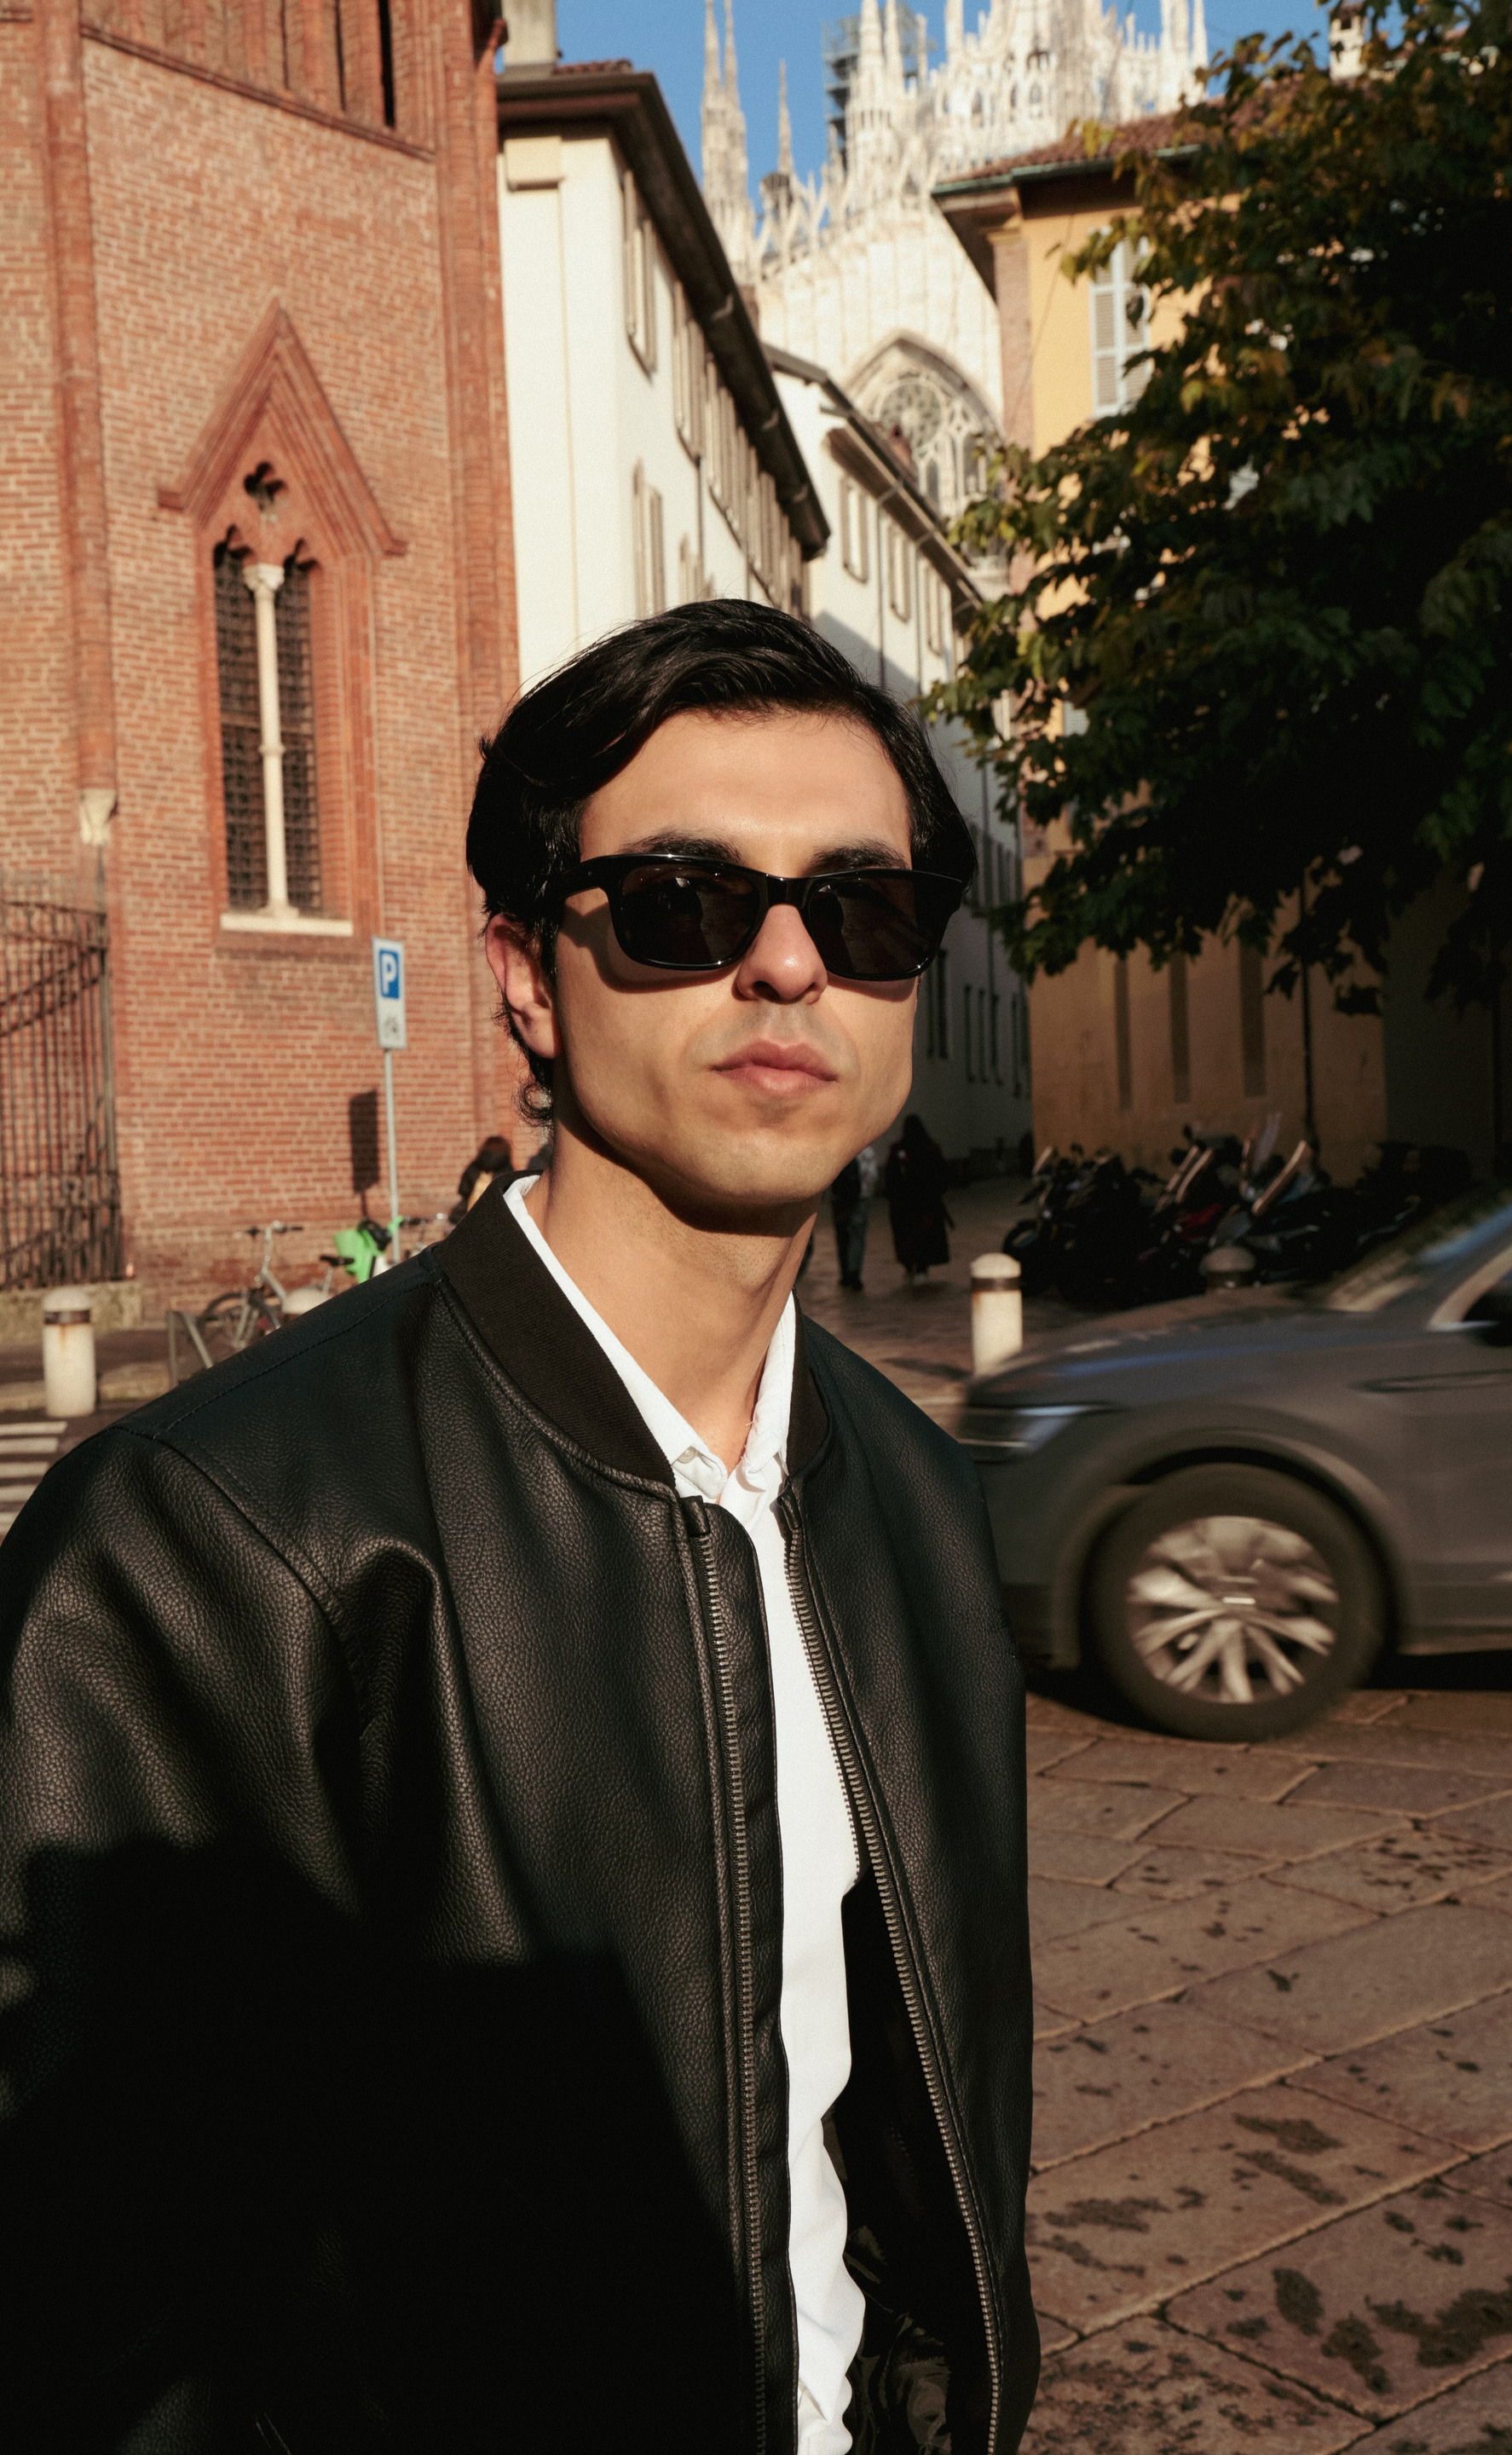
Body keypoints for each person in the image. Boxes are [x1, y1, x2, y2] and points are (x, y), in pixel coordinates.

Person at [0, 601, 1037, 2454]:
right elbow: (93, 2321)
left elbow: (908, 2130)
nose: (788, 963)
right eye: (683, 905)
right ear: (528, 978)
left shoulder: (920, 1500)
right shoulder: (204, 1551)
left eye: (863, 911)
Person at [887, 1112, 952, 1279]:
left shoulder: (900, 1150)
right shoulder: (929, 1149)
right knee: (924, 1236)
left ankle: (910, 1264)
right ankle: (922, 1268)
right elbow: (943, 1174)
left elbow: (891, 1177)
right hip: (926, 1202)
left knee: (908, 1235)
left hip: (905, 1204)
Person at [828, 1147, 874, 1291]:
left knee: (842, 1235)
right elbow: (872, 1175)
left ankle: (845, 1273)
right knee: (857, 1235)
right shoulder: (867, 1151)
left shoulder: (837, 1147)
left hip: (839, 1199)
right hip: (860, 1199)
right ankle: (854, 1271)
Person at [451, 1129, 515, 1220]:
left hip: (464, 1216)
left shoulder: (474, 1166)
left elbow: (463, 1189)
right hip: (495, 1218)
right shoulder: (507, 1169)